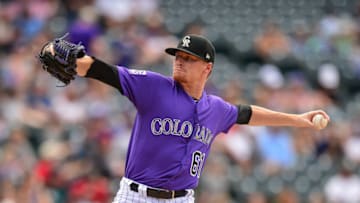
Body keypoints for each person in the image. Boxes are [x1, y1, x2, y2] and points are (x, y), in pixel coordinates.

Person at [45, 34, 330, 203]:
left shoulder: (217, 109)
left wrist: (299, 119)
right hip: (136, 196)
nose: (179, 60)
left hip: (183, 199)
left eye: (188, 58)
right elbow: (103, 71)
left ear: (207, 68)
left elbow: (249, 114)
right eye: (177, 55)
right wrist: (64, 58)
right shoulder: (153, 87)